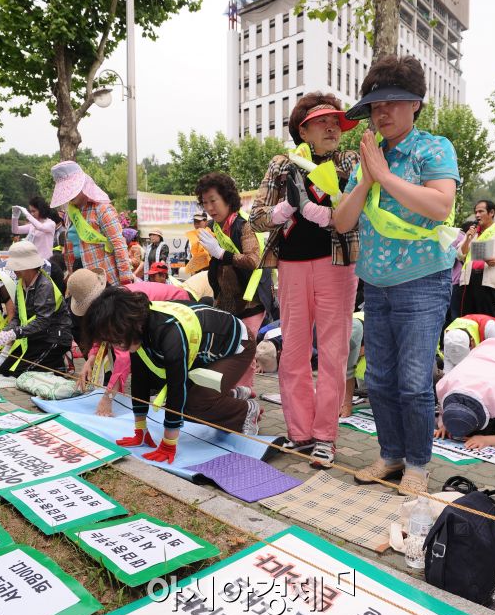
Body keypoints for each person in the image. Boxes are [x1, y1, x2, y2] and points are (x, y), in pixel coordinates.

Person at [332, 55, 460, 493]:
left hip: (424, 280)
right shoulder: (369, 156)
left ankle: (419, 467)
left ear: (416, 105)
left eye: (391, 103)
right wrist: (367, 179)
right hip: (377, 283)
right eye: (374, 106)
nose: (381, 113)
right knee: (380, 378)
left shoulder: (434, 148)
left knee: (413, 379)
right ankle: (390, 455)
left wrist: (384, 175)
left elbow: (440, 205)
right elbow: (341, 222)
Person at [250, 92, 359, 466]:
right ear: (303, 129)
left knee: (333, 352)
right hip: (291, 266)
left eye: (337, 123)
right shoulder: (282, 165)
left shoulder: (349, 160)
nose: (333, 128)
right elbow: (257, 217)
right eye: (323, 122)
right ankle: (300, 432)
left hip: (338, 264)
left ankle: (326, 435)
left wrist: (321, 213)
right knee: (293, 350)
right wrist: (286, 209)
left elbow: (361, 211)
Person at [83, 288, 261, 463]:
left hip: (239, 346)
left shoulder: (169, 331)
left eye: (117, 340)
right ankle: (230, 395)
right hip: (207, 352)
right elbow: (139, 379)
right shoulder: (138, 327)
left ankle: (246, 411)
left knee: (193, 404)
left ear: (127, 323)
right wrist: (140, 430)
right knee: (179, 398)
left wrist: (169, 443)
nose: (117, 346)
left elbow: (177, 386)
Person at [67, 268, 191, 417]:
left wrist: (108, 397)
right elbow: (103, 336)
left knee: (167, 368)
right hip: (159, 316)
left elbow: (123, 357)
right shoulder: (110, 302)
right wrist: (91, 359)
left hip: (179, 308)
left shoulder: (118, 307)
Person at [196, 171, 271, 393]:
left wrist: (221, 254)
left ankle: (246, 401)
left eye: (213, 201)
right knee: (228, 351)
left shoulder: (244, 225)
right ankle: (231, 398)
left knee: (245, 353)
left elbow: (253, 260)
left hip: (250, 302)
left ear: (228, 198)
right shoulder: (214, 227)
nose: (209, 207)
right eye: (205, 202)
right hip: (226, 302)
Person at [49, 161, 133, 286]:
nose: (70, 194)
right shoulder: (70, 213)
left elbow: (119, 244)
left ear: (83, 184)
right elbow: (70, 248)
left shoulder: (102, 209)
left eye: (73, 188)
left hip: (103, 277)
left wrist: (126, 279)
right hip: (80, 274)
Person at [0, 241, 72, 376]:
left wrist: (14, 333)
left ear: (26, 267)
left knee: (19, 373)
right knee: (5, 370)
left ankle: (59, 361)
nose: (14, 270)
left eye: (16, 267)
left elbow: (43, 321)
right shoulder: (21, 284)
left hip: (53, 337)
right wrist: (5, 333)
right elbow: (19, 317)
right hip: (33, 336)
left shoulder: (44, 285)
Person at [435, 338, 495, 451]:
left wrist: (490, 439)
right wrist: (445, 424)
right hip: (486, 349)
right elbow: (442, 409)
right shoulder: (444, 384)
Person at [457, 200, 495, 316]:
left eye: (481, 211)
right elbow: (459, 255)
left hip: (488, 282)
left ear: (491, 212)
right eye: (476, 212)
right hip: (468, 281)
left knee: (486, 319)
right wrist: (468, 238)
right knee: (467, 319)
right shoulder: (472, 233)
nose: (477, 215)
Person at [11, 196, 58, 260]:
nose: (32, 214)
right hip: (32, 260)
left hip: (45, 261)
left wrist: (27, 214)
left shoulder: (51, 224)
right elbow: (15, 230)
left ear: (41, 210)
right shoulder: (32, 225)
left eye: (34, 211)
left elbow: (40, 227)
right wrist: (14, 216)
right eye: (30, 211)